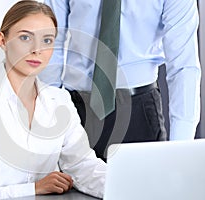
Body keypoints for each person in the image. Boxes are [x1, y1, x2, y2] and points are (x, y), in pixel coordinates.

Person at [0, 1, 106, 199]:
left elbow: (83, 166)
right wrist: (33, 189)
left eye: (47, 40)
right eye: (25, 37)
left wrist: (127, 187)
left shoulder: (60, 101)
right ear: (2, 40)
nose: (37, 49)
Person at [39, 0, 201, 160]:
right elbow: (51, 42)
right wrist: (49, 114)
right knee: (71, 184)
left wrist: (180, 148)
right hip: (77, 110)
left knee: (144, 184)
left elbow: (183, 67)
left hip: (139, 113)